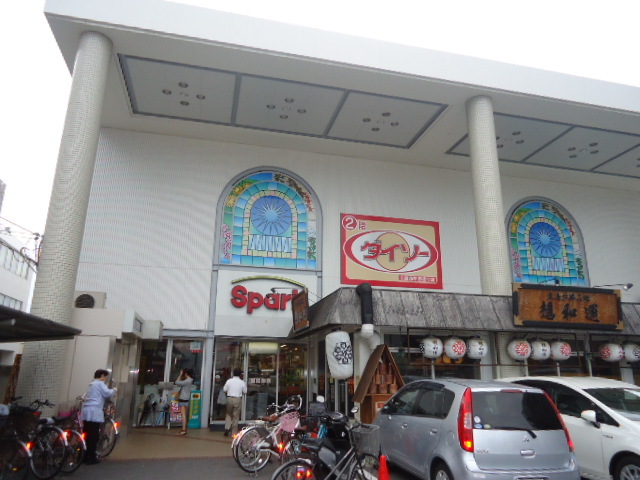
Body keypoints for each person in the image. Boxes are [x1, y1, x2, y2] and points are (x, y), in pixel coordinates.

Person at [81, 369, 117, 465]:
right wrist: (114, 390)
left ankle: (83, 456)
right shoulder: (99, 384)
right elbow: (107, 393)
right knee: (93, 435)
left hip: (86, 411)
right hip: (94, 411)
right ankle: (91, 457)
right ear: (101, 376)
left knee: (86, 434)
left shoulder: (91, 384)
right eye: (105, 376)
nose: (105, 379)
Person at [223, 367, 246, 437]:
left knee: (228, 414)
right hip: (237, 399)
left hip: (229, 398)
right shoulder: (242, 382)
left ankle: (227, 428)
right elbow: (245, 391)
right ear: (240, 375)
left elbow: (224, 389)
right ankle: (234, 433)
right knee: (236, 416)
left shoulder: (229, 381)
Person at [175, 368, 194, 435]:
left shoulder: (187, 380)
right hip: (186, 398)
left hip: (183, 398)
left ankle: (183, 429)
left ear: (186, 374)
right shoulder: (190, 380)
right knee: (184, 415)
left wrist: (180, 375)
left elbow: (177, 382)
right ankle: (184, 429)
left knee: (183, 415)